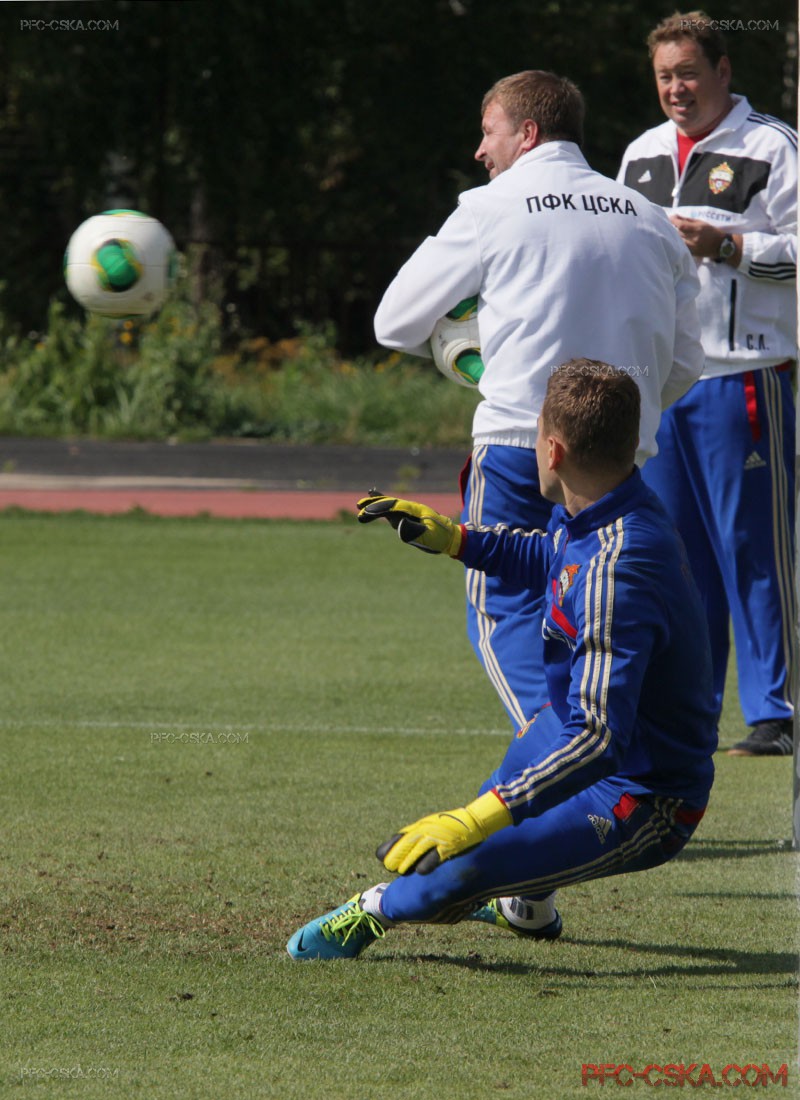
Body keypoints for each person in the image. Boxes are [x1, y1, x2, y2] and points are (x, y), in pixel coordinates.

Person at [286, 361, 717, 961]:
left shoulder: (615, 571)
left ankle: (376, 907)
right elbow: (554, 555)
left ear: (553, 450)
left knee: (455, 867)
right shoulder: (612, 503)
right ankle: (527, 908)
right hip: (566, 730)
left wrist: (480, 819)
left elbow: (598, 740)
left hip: (643, 793)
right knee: (491, 825)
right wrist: (458, 539)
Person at [373, 69, 704, 735]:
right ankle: (610, 752)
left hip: (520, 446)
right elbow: (686, 362)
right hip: (620, 460)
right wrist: (620, 420)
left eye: (487, 132)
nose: (479, 150)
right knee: (604, 608)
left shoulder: (489, 208)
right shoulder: (650, 220)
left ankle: (564, 755)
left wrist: (466, 351)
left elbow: (395, 322)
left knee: (508, 611)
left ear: (526, 133)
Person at [618, 12, 797, 757]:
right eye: (665, 76)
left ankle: (777, 712)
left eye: (688, 73)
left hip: (746, 375)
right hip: (664, 384)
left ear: (723, 71)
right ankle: (690, 710)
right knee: (677, 557)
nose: (676, 89)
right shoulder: (640, 153)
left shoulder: (772, 145)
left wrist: (728, 246)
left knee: (754, 547)